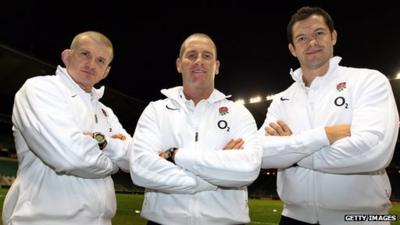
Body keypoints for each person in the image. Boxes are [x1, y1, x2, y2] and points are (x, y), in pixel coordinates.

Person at [259, 6, 399, 225]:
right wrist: (324, 137)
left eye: (319, 33)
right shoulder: (281, 99)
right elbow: (260, 154)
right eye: (302, 38)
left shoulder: (368, 81)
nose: (312, 42)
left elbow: (373, 150)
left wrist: (291, 153)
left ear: (333, 36)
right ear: (292, 49)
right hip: (293, 218)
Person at [129, 33, 262, 225]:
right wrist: (215, 176)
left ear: (216, 67)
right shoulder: (155, 111)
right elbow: (141, 168)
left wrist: (175, 156)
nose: (199, 61)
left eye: (207, 56)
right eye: (191, 55)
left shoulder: (238, 113)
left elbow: (248, 169)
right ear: (178, 64)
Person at [2, 31, 131, 225]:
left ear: (106, 71)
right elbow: (70, 158)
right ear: (67, 56)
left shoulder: (106, 112)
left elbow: (133, 159)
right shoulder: (40, 89)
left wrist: (102, 144)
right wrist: (114, 164)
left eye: (100, 60)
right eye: (85, 54)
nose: (91, 64)